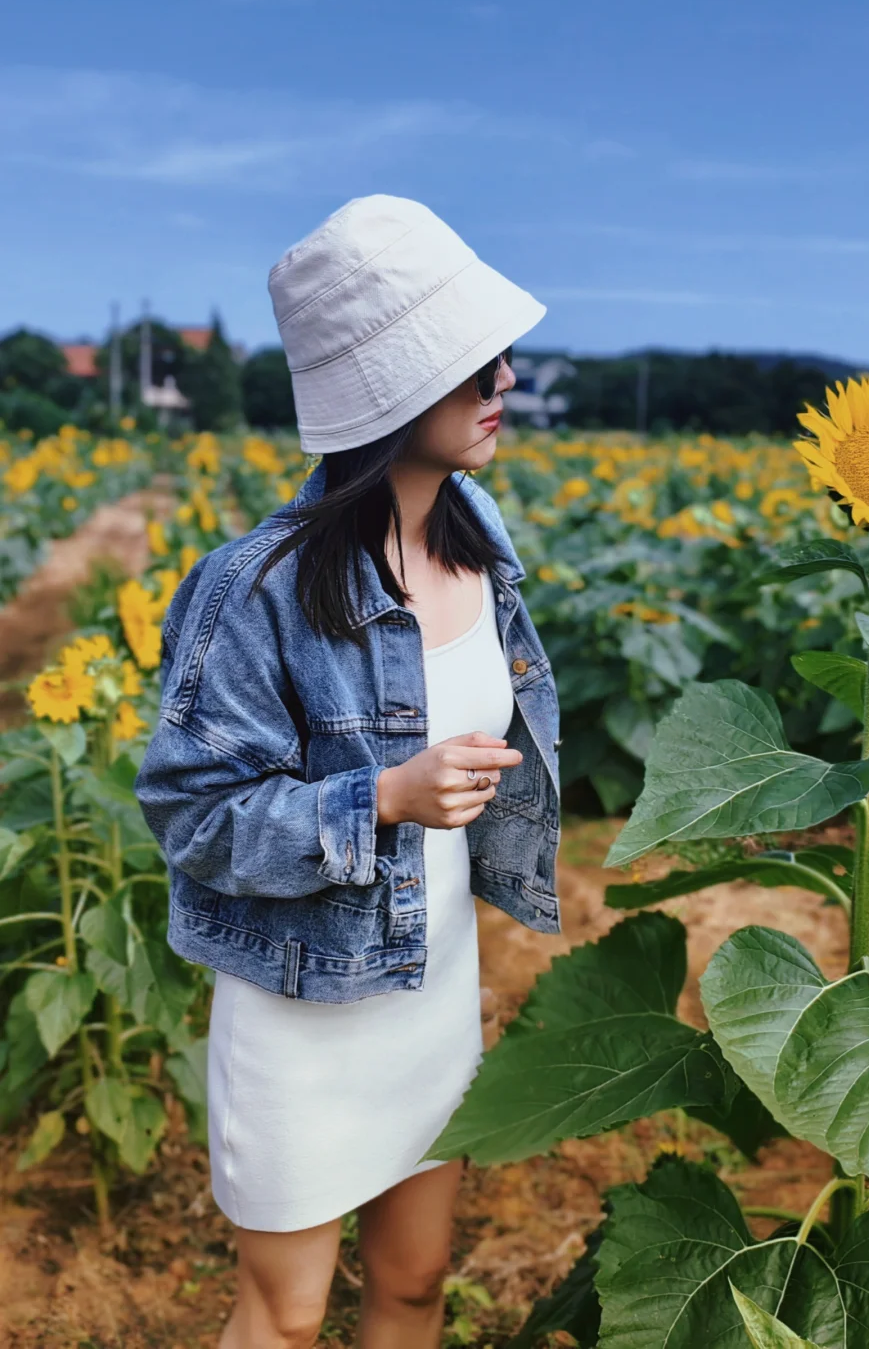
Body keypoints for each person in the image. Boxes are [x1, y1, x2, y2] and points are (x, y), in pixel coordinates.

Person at [134, 195, 563, 1349]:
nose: (505, 385)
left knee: (416, 1287)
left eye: (503, 361)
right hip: (302, 1008)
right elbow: (191, 815)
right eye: (474, 367)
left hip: (432, 995)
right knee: (284, 1314)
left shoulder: (482, 546)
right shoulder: (255, 588)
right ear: (386, 390)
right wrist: (381, 796)